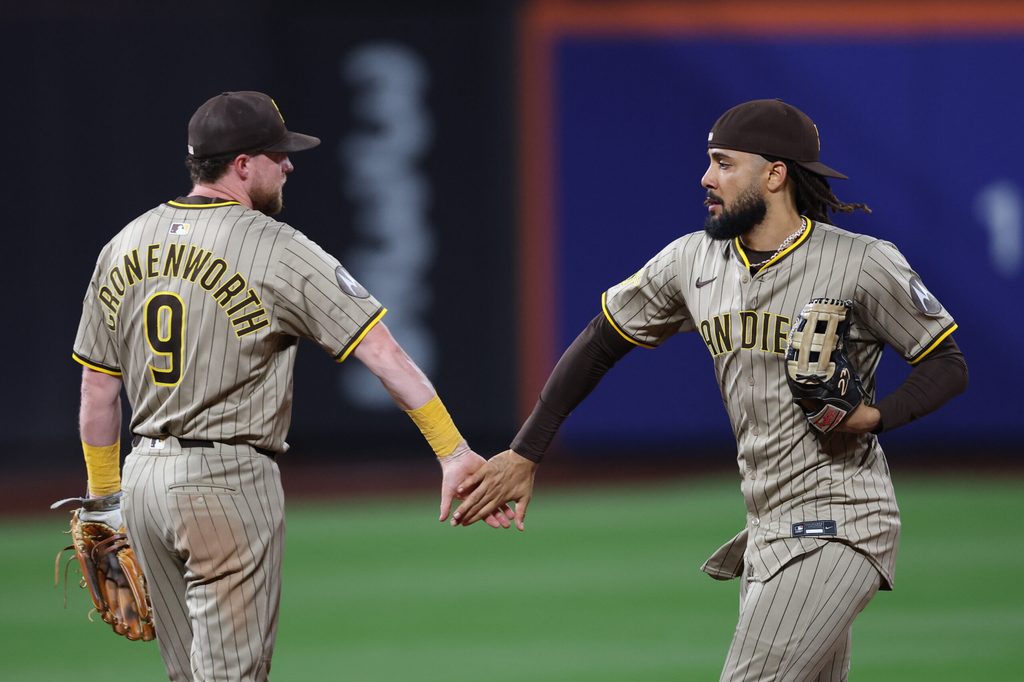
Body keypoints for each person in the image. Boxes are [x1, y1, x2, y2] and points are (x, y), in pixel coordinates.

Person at [452, 98, 968, 681]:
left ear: (775, 174)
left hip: (840, 523)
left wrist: (874, 417)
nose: (706, 177)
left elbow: (946, 363)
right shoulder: (692, 260)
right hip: (767, 527)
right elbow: (601, 341)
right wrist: (526, 452)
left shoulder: (862, 262)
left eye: (724, 163)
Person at [71, 90, 509, 681]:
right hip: (226, 482)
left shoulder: (122, 243)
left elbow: (97, 391)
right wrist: (452, 450)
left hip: (143, 482)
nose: (290, 165)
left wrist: (105, 501)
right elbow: (383, 353)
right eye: (279, 154)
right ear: (243, 164)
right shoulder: (276, 247)